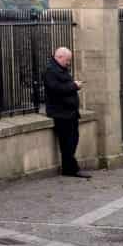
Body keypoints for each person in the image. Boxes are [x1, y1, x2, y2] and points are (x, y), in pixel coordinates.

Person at [42, 46, 90, 178]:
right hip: (60, 113)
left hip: (69, 112)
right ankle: (70, 169)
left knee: (73, 140)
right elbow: (56, 89)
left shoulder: (61, 69)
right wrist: (74, 86)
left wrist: (73, 85)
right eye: (67, 60)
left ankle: (70, 168)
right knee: (67, 142)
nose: (68, 63)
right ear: (59, 57)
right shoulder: (50, 71)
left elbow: (63, 86)